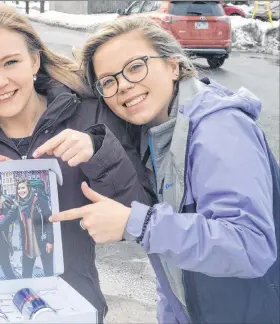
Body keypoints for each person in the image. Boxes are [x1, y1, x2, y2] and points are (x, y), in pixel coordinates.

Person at [51, 16, 279, 324]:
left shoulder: (218, 128)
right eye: (108, 81)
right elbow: (172, 262)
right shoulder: (155, 134)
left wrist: (139, 224)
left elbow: (249, 245)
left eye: (135, 66)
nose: (124, 86)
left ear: (173, 65)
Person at [0, 5, 154, 322]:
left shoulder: (91, 115)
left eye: (10, 62)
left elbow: (137, 213)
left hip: (72, 309)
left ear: (35, 60)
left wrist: (99, 151)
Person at [16, 179, 54, 278]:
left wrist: (50, 241)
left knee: (48, 270)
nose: (20, 191)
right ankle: (26, 290)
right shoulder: (18, 205)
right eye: (18, 189)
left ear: (29, 189)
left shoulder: (40, 201)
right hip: (28, 243)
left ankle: (50, 288)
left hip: (42, 240)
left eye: (23, 188)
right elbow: (6, 220)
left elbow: (48, 221)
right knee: (26, 273)